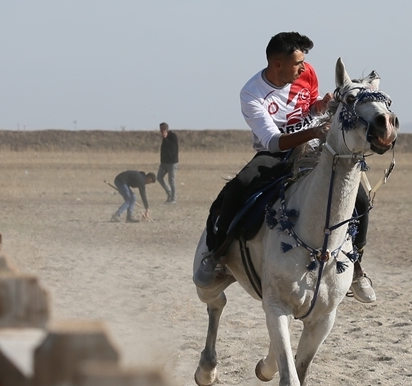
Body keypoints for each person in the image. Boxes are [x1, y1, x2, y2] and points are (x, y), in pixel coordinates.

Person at [194, 32, 378, 303]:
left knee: (360, 198)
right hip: (275, 153)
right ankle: (216, 255)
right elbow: (272, 141)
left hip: (315, 148)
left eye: (304, 62)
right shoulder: (252, 93)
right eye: (297, 63)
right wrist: (314, 132)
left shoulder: (307, 73)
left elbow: (309, 110)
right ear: (277, 64)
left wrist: (321, 106)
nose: (303, 68)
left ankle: (357, 268)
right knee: (237, 188)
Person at [158, 122, 179, 204]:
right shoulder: (164, 138)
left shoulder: (173, 136)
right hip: (164, 162)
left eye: (163, 129)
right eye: (161, 129)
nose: (161, 131)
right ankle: (169, 192)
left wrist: (166, 138)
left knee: (171, 180)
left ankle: (173, 198)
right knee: (159, 177)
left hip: (172, 162)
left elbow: (172, 148)